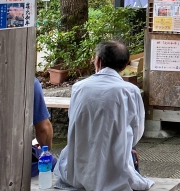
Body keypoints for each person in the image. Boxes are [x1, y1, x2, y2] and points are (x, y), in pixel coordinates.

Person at [54, 41, 153, 191]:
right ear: (125, 65)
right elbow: (136, 131)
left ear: (98, 61)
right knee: (129, 148)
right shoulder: (130, 91)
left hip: (78, 170)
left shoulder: (79, 88)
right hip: (115, 171)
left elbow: (74, 120)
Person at [31, 78, 56, 178]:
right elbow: (44, 129)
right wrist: (46, 150)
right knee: (55, 165)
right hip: (15, 158)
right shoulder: (30, 81)